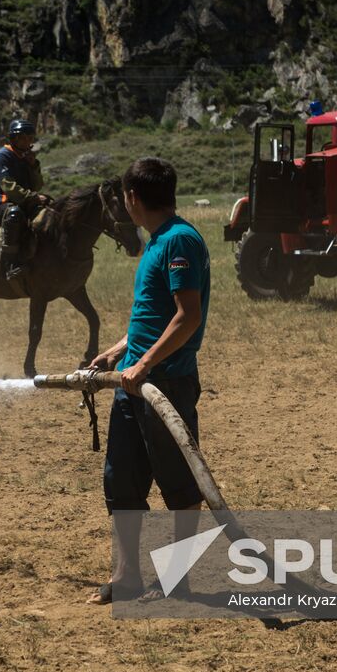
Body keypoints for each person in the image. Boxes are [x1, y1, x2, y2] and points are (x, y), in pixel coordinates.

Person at [86, 157, 211, 605]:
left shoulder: (179, 241)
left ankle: (178, 580)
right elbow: (153, 316)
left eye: (124, 196)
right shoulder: (157, 241)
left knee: (178, 484)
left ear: (133, 198)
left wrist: (145, 365)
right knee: (121, 481)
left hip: (167, 384)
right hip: (132, 382)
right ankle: (127, 577)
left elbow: (187, 316)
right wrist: (122, 349)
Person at [0, 118, 49, 280]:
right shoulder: (3, 156)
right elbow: (9, 188)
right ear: (13, 138)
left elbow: (37, 185)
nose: (28, 142)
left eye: (30, 138)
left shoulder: (26, 158)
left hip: (25, 200)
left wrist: (33, 165)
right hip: (3, 203)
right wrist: (34, 197)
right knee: (15, 215)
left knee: (52, 211)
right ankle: (10, 264)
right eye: (23, 138)